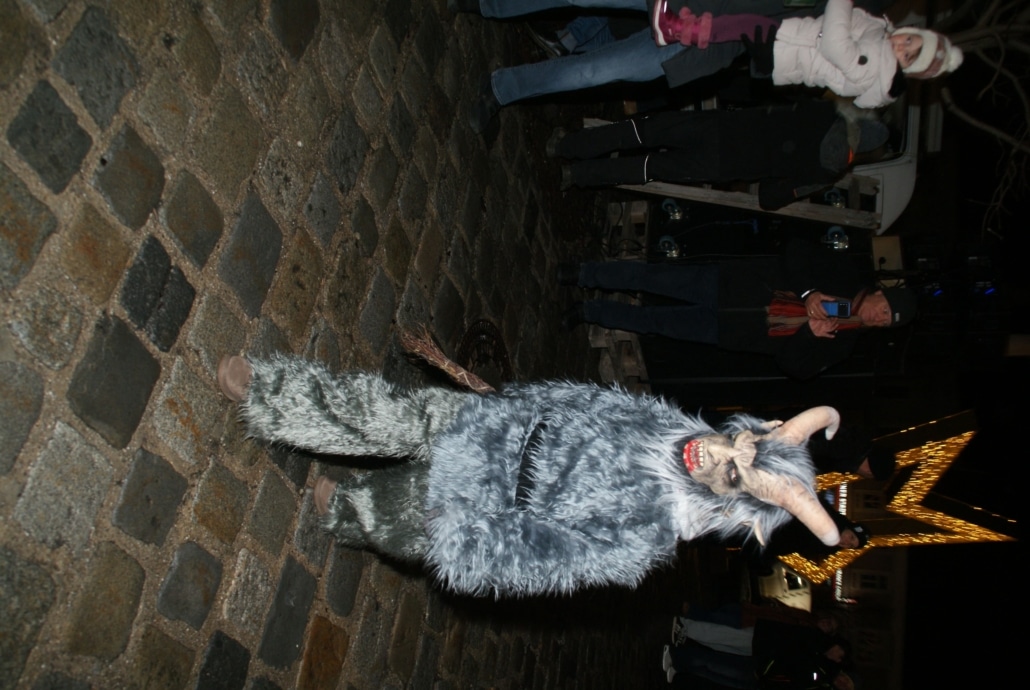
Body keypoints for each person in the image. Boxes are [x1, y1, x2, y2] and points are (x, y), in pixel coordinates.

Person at [215, 351, 844, 597]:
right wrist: (519, 401)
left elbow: (549, 560)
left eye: (731, 476)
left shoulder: (646, 538)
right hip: (495, 426)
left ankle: (344, 511)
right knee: (390, 412)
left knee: (396, 513)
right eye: (732, 443)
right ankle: (273, 393)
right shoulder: (665, 422)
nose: (712, 456)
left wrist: (465, 540)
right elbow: (586, 401)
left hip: (486, 501)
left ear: (731, 508)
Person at [447, 0, 893, 133]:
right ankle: (486, 3)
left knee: (593, 72)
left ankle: (501, 89)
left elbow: (781, 61)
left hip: (703, 44)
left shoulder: (864, 30)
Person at [560, 238, 918, 380]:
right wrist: (809, 292)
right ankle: (584, 274)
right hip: (731, 284)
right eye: (885, 309)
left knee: (653, 321)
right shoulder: (845, 272)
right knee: (652, 278)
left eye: (886, 321)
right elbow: (795, 248)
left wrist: (809, 334)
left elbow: (795, 367)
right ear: (880, 293)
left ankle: (588, 312)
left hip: (730, 332)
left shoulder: (843, 343)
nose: (879, 318)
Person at [547, 99, 890, 209]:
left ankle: (566, 146)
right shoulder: (827, 172)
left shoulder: (826, 110)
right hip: (723, 164)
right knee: (650, 167)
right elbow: (770, 198)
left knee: (643, 132)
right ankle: (575, 176)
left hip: (723, 127)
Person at [651, 0, 963, 108]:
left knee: (744, 25)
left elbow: (834, 44)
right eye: (910, 40)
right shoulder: (880, 31)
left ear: (907, 70)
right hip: (792, 40)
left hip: (789, 47)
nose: (902, 47)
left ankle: (680, 30)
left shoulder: (876, 68)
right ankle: (685, 27)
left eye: (909, 56)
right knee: (742, 24)